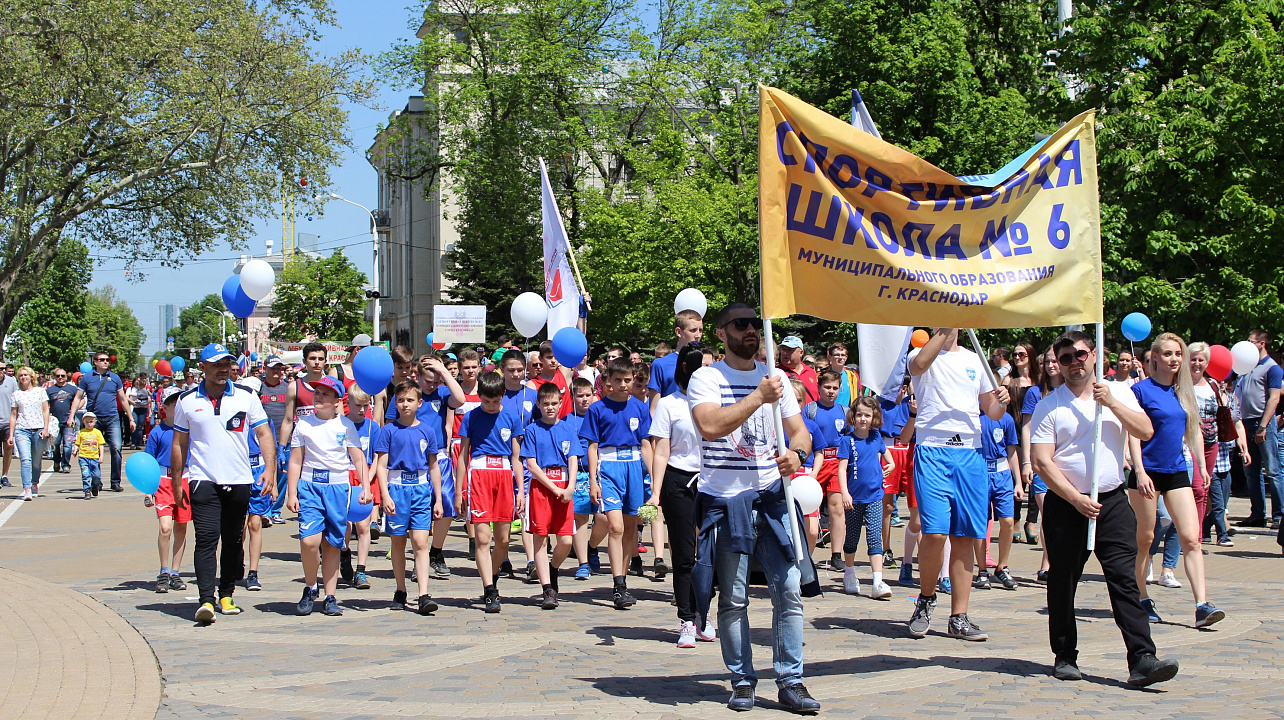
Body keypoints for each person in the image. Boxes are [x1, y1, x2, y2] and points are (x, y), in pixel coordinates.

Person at [687, 303, 820, 713]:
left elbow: (801, 434)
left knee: (790, 591)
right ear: (722, 334)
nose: (749, 331)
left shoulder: (776, 380)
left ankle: (791, 680)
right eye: (739, 325)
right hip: (727, 503)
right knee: (734, 598)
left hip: (774, 498)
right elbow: (709, 425)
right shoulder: (707, 377)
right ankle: (742, 680)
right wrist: (758, 396)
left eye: (753, 325)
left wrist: (797, 456)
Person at [1031, 330, 1180, 686]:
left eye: (1079, 355)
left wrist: (1111, 402)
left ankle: (1143, 657)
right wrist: (1075, 498)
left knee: (1124, 580)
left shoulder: (1120, 392)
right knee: (1063, 582)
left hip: (1111, 501)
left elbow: (1145, 431)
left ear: (1094, 354)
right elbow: (1042, 462)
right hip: (1068, 505)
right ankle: (1065, 654)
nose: (1073, 364)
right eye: (1065, 359)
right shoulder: (1049, 405)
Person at [905, 328, 1010, 642]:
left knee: (965, 535)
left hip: (969, 453)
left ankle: (959, 616)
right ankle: (925, 598)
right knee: (934, 532)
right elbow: (920, 366)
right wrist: (943, 329)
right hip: (933, 449)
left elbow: (990, 409)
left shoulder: (974, 359)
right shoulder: (920, 353)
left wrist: (1002, 401)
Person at [170, 343, 277, 623]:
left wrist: (270, 469)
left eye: (227, 363)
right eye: (216, 364)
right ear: (203, 367)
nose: (223, 369)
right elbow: (180, 443)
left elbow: (264, 433)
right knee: (206, 539)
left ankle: (227, 593)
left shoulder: (246, 396)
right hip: (202, 479)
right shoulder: (187, 400)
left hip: (240, 479)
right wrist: (177, 482)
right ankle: (206, 599)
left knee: (232, 540)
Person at [1128, 333, 1225, 628]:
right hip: (1147, 472)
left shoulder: (1184, 392)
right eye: (1168, 354)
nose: (1174, 359)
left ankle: (1201, 605)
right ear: (1155, 357)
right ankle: (1141, 597)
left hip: (1176, 471)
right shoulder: (1140, 390)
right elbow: (1133, 431)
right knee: (1145, 538)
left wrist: (1199, 463)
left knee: (1191, 538)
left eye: (1178, 354)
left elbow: (1193, 429)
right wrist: (1140, 470)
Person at [647, 343, 716, 646]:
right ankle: (687, 619)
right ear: (688, 369)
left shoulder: (719, 403)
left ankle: (704, 614)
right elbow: (661, 451)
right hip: (679, 482)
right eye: (705, 366)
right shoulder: (670, 404)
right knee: (685, 556)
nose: (711, 372)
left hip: (713, 483)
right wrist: (655, 492)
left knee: (712, 556)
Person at [285, 376, 370, 617]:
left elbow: (358, 458)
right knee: (309, 541)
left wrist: (366, 486)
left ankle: (330, 596)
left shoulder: (346, 426)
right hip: (310, 485)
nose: (318, 396)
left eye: (325, 393)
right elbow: (295, 460)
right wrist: (292, 493)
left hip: (337, 487)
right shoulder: (304, 424)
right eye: (317, 392)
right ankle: (311, 586)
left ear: (337, 401)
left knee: (333, 544)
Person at [581, 357, 653, 609]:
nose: (623, 385)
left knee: (631, 528)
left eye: (627, 380)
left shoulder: (640, 407)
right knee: (616, 527)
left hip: (634, 467)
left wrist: (652, 477)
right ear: (608, 381)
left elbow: (646, 444)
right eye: (618, 380)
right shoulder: (597, 409)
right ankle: (618, 584)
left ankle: (623, 582)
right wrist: (593, 480)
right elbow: (592, 446)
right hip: (609, 467)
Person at [456, 371, 524, 612]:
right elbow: (463, 456)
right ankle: (489, 590)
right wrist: (459, 490)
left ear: (503, 396)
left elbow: (517, 457)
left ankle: (492, 576)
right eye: (486, 401)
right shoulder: (471, 417)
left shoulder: (512, 417)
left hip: (504, 476)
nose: (491, 406)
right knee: (483, 538)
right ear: (479, 397)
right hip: (480, 475)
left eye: (495, 401)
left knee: (503, 540)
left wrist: (521, 490)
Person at [375, 380, 444, 614]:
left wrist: (439, 498)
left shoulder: (427, 430)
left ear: (419, 402)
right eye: (401, 400)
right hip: (396, 489)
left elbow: (434, 466)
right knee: (398, 541)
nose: (405, 404)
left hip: (421, 490)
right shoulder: (389, 430)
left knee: (420, 542)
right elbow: (382, 465)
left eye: (410, 400)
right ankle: (401, 589)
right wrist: (384, 495)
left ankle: (423, 593)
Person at [521, 383, 582, 609]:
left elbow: (573, 458)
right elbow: (531, 464)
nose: (549, 407)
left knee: (566, 540)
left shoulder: (567, 428)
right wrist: (553, 488)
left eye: (554, 403)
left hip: (565, 486)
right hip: (542, 487)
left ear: (560, 404)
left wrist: (570, 486)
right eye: (545, 403)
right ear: (538, 404)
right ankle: (547, 588)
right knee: (541, 537)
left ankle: (553, 568)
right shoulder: (532, 430)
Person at [835, 396, 895, 599]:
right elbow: (842, 469)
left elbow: (886, 455)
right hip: (853, 498)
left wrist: (892, 464)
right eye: (859, 414)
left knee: (874, 536)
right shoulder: (847, 440)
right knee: (852, 537)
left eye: (867, 415)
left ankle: (877, 581)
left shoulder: (876, 437)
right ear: (853, 416)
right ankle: (849, 573)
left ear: (874, 417)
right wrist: (844, 493)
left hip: (875, 496)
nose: (863, 419)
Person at [1235, 329, 1281, 528]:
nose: (1247, 344)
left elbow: (1274, 397)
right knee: (1250, 471)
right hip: (1245, 423)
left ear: (1262, 343)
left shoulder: (1272, 368)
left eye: (1250, 341)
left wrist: (1263, 425)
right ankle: (1257, 514)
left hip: (1262, 423)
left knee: (1273, 470)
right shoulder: (1246, 366)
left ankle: (1280, 516)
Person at [145, 388, 188, 593]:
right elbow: (148, 462)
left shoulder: (190, 430)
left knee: (181, 527)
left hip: (185, 479)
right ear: (165, 407)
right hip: (163, 480)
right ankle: (163, 570)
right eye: (173, 402)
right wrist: (148, 489)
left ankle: (175, 572)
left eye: (180, 401)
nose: (177, 405)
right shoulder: (157, 432)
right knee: (165, 527)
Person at [805, 368, 848, 571]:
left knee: (837, 508)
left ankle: (836, 554)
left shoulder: (844, 411)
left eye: (835, 388)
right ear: (819, 388)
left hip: (837, 463)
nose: (831, 391)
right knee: (809, 508)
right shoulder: (810, 409)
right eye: (827, 387)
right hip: (816, 461)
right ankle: (806, 552)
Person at [973, 410, 1021, 590]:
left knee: (1008, 520)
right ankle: (982, 570)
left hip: (1002, 475)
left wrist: (1018, 482)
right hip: (979, 473)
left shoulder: (1006, 418)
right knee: (981, 523)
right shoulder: (974, 416)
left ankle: (1002, 566)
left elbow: (1011, 450)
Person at [74, 353, 133, 492]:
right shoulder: (87, 378)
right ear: (95, 362)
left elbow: (123, 398)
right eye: (102, 360)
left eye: (107, 360)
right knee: (93, 449)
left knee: (116, 448)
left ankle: (115, 481)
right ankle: (96, 480)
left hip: (112, 417)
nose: (105, 362)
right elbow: (78, 397)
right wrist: (71, 416)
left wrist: (130, 418)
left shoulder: (115, 377)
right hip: (93, 419)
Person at [567, 376, 608, 579]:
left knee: (605, 516)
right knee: (580, 518)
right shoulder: (567, 420)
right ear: (572, 397)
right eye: (580, 395)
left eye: (588, 395)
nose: (584, 399)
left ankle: (592, 546)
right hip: (578, 475)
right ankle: (583, 562)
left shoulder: (600, 414)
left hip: (601, 473)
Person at [340, 386, 379, 589]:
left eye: (365, 406)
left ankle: (361, 570)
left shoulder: (373, 427)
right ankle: (344, 552)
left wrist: (368, 480)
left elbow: (377, 456)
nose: (362, 410)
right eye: (358, 406)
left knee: (363, 526)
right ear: (348, 404)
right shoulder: (340, 425)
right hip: (343, 476)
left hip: (365, 476)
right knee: (345, 525)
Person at [648, 309, 705, 411]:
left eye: (700, 330)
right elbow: (654, 408)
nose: (698, 335)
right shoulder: (660, 364)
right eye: (693, 330)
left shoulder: (707, 363)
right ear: (679, 332)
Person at [257, 356, 291, 524]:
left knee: (282, 477)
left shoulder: (288, 388)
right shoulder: (259, 389)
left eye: (279, 368)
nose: (276, 371)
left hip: (284, 440)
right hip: (264, 441)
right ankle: (265, 510)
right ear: (265, 369)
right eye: (273, 368)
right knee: (267, 474)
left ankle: (275, 511)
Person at [8, 366, 50, 501]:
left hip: (38, 429)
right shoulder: (16, 394)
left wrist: (45, 428)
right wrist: (11, 434)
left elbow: (45, 411)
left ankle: (34, 483)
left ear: (31, 377)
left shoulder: (40, 391)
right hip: (22, 429)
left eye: (26, 375)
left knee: (36, 461)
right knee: (25, 459)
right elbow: (13, 415)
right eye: (21, 375)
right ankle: (27, 488)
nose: (23, 377)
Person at [46, 369, 76, 473]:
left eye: (62, 376)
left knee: (68, 445)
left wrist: (73, 411)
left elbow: (81, 400)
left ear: (66, 377)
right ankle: (56, 461)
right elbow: (45, 405)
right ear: (54, 377)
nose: (60, 377)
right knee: (56, 444)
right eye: (58, 376)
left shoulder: (72, 389)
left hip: (68, 421)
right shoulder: (50, 390)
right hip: (55, 422)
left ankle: (66, 464)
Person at [71, 412, 106, 499]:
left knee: (96, 476)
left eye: (91, 422)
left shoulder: (97, 432)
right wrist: (75, 450)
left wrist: (101, 456)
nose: (89, 424)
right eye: (87, 422)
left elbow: (101, 445)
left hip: (94, 457)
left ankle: (95, 486)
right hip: (83, 457)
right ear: (83, 422)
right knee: (85, 474)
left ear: (95, 422)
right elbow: (77, 443)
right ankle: (87, 490)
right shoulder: (81, 433)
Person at [777, 335, 818, 403]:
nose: (785, 353)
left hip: (811, 413)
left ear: (801, 353)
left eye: (790, 350)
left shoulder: (810, 371)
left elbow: (817, 396)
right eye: (783, 349)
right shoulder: (777, 372)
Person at [824, 342, 863, 408]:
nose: (840, 357)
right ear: (829, 357)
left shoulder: (852, 376)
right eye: (837, 355)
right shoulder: (822, 377)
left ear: (846, 357)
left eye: (843, 355)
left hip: (848, 414)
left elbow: (859, 395)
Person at [0, 359, 17, 487]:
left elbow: (16, 400)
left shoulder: (11, 381)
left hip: (7, 420)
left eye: (3, 369)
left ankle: (4, 475)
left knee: (7, 448)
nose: (2, 371)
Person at [129, 374, 152, 448]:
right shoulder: (132, 389)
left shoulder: (144, 391)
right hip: (135, 408)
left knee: (140, 426)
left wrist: (145, 404)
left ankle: (137, 442)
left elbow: (149, 399)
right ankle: (133, 442)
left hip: (143, 409)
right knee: (134, 425)